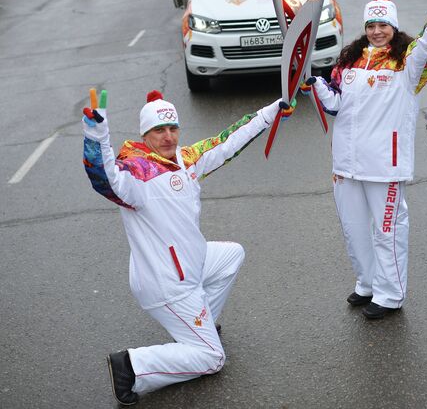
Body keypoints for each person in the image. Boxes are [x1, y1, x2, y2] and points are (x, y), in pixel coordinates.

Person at [82, 89, 290, 403]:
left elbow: (227, 141)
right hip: (166, 284)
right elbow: (104, 177)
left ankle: (200, 324)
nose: (168, 137)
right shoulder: (136, 175)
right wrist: (96, 132)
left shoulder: (187, 158)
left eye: (172, 128)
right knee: (212, 359)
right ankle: (132, 367)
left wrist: (271, 111)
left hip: (192, 264)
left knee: (232, 255)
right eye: (158, 131)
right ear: (145, 134)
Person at [303, 0, 427, 320]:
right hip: (346, 164)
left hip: (384, 164)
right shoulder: (350, 61)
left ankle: (390, 294)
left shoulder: (408, 63)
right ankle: (367, 283)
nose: (377, 30)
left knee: (387, 231)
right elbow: (335, 105)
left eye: (383, 24)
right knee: (354, 229)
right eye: (371, 24)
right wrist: (315, 84)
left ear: (393, 27)